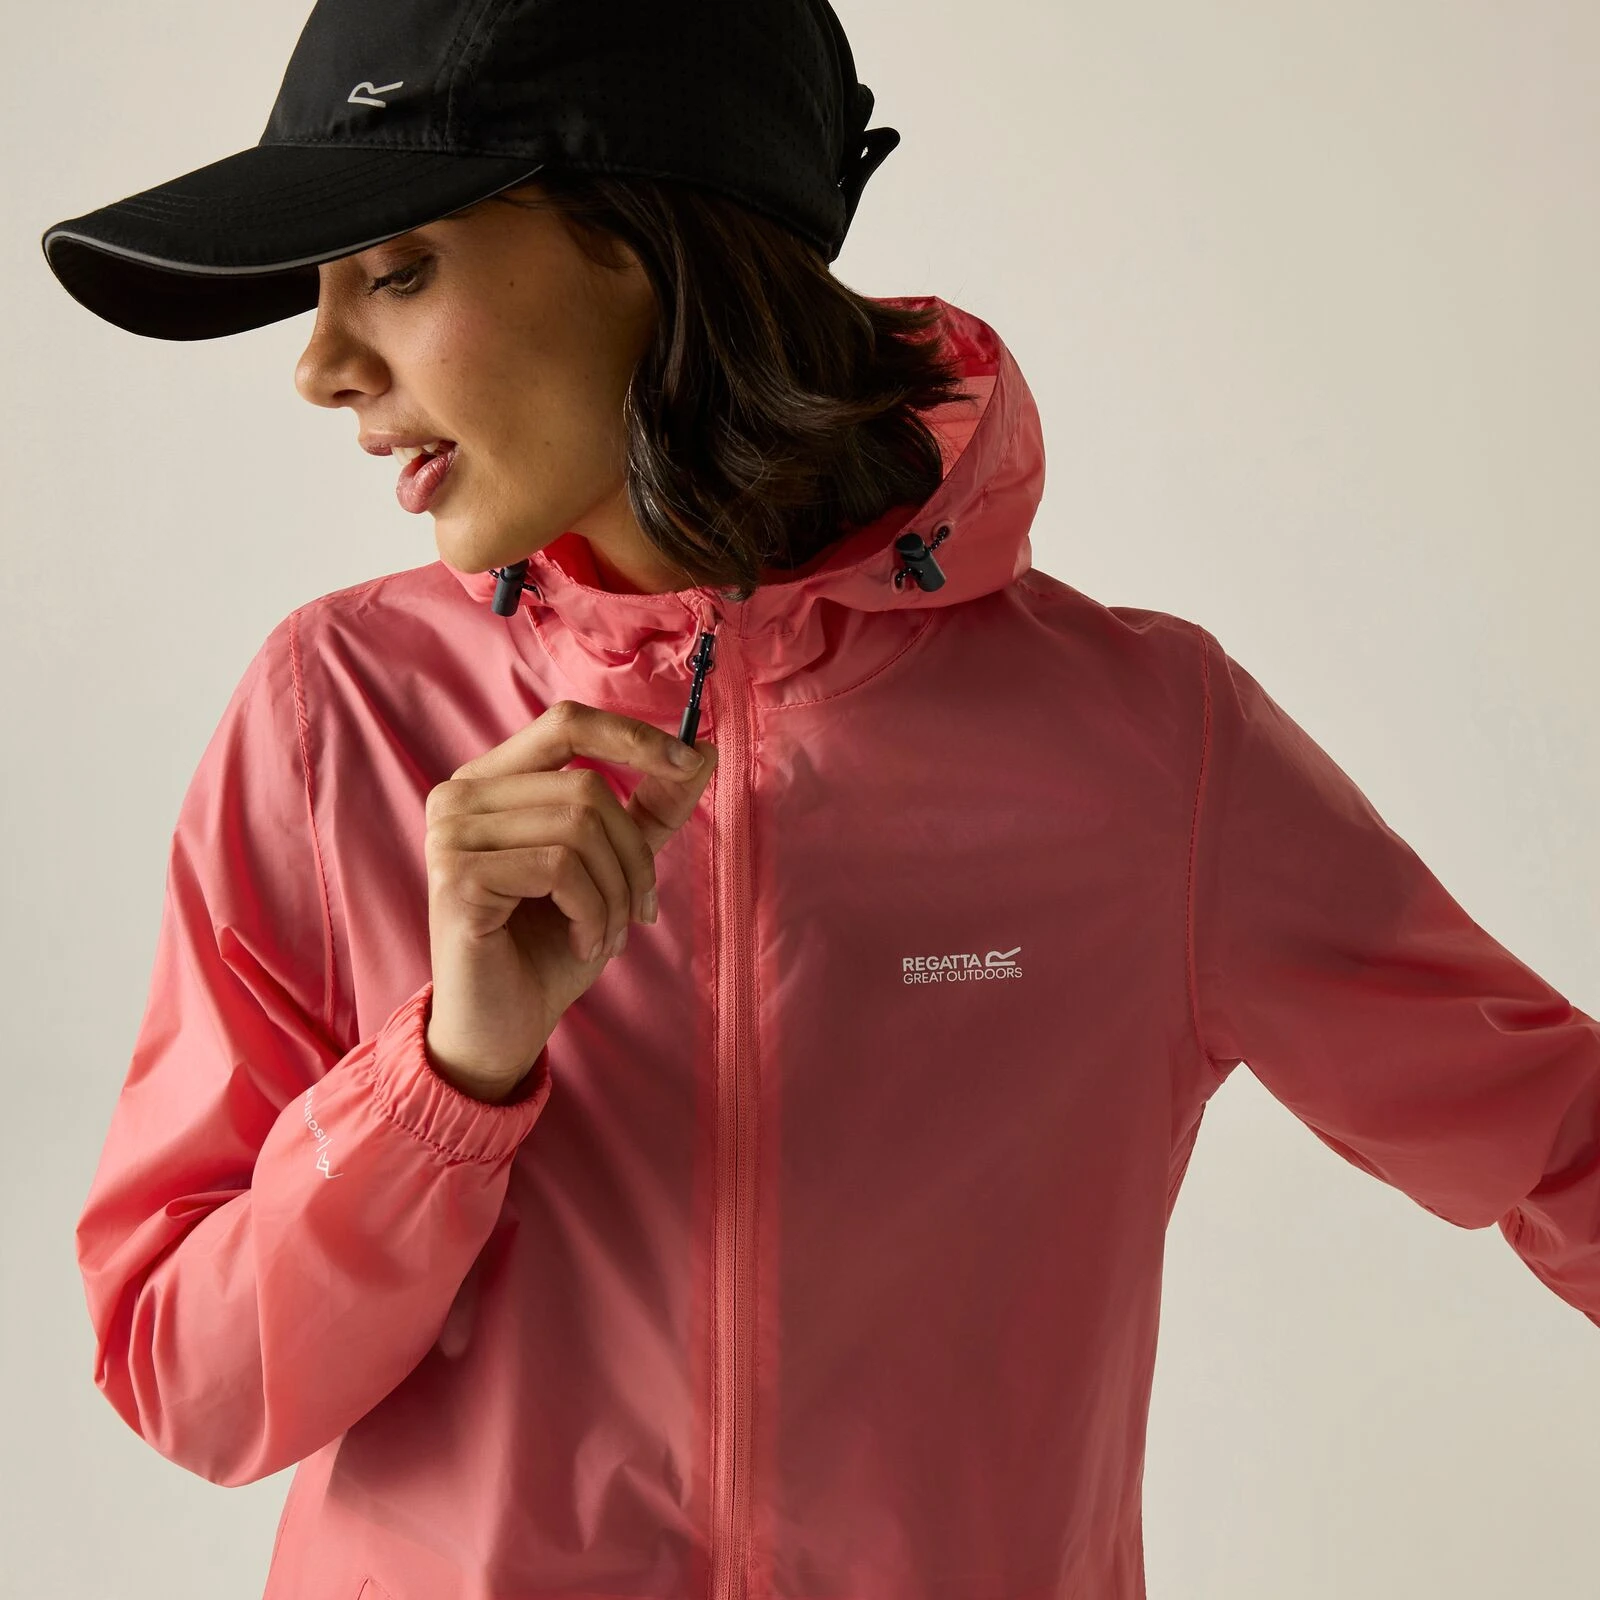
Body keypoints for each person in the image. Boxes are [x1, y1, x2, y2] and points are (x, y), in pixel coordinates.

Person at [42, 2, 1600, 1598]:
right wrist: (446, 1079)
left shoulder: (1144, 749)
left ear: (641, 239)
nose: (319, 368)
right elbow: (187, 1380)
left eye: (396, 270)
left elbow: (1562, 1139)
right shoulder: (339, 720)